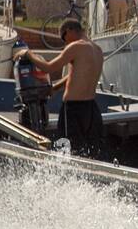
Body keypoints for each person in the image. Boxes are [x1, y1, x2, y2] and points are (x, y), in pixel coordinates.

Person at [17, 19, 104, 157]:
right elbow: (76, 74)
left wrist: (28, 54)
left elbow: (48, 67)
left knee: (68, 151)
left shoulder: (76, 47)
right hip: (92, 109)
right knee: (89, 152)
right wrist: (55, 88)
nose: (65, 42)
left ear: (69, 30)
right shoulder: (97, 50)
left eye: (64, 37)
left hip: (73, 109)